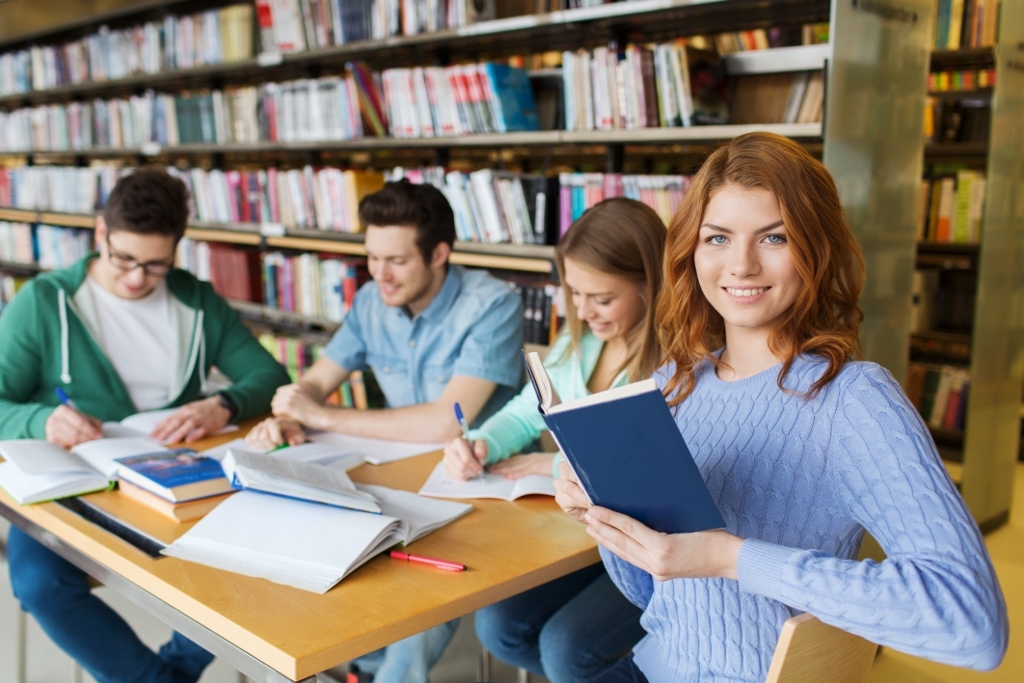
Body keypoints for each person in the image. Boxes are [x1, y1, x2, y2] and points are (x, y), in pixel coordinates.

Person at [555, 132, 1008, 683]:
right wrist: (603, 517)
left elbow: (973, 625)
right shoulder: (673, 385)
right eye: (717, 238)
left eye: (774, 237)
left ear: (816, 249)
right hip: (652, 666)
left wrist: (732, 557)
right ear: (691, 251)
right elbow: (650, 592)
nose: (741, 265)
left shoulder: (854, 400)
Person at [0, 168, 291, 683]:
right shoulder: (45, 303)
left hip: (174, 479)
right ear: (100, 234)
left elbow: (269, 376)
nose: (137, 278)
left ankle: (170, 672)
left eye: (156, 265)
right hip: (70, 486)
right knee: (40, 582)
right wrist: (42, 419)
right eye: (124, 259)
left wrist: (222, 404)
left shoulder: (195, 300)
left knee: (260, 548)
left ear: (178, 249)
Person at [246, 179, 524, 683]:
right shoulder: (373, 300)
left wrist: (322, 416)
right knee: (300, 549)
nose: (379, 274)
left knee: (419, 599)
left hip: (485, 489)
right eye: (372, 258)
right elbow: (319, 379)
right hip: (400, 479)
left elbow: (446, 422)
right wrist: (291, 412)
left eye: (395, 260)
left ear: (438, 253)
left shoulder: (493, 304)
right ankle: (347, 667)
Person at [443, 198, 663, 683]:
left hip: (648, 547)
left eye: (601, 298)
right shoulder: (580, 342)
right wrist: (482, 442)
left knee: (567, 649)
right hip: (591, 538)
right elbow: (527, 412)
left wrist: (547, 468)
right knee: (499, 627)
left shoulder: (675, 366)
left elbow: (637, 472)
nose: (583, 311)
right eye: (574, 294)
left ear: (649, 285)